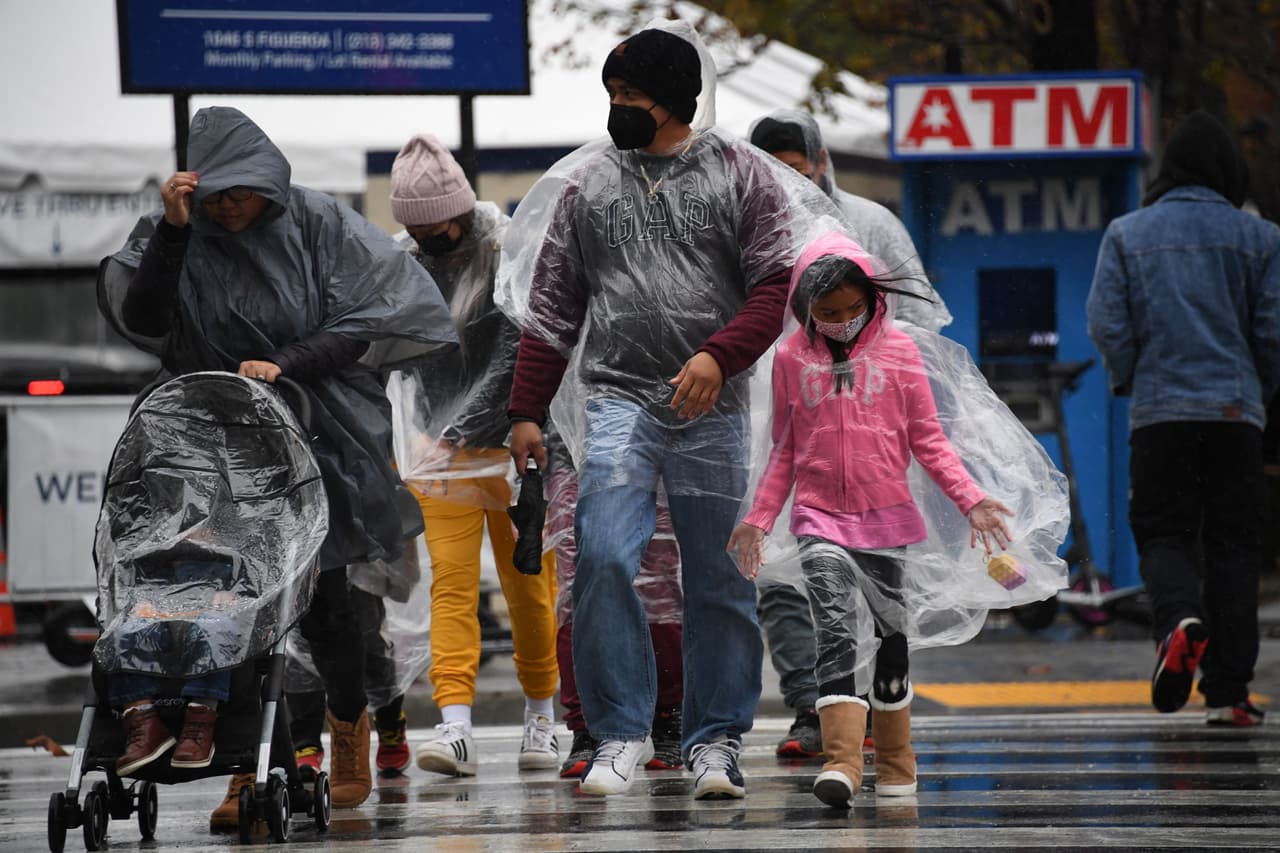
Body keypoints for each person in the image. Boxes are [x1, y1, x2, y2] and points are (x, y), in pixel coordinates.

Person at [107, 106, 455, 828]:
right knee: (227, 603)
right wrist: (173, 233)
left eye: (242, 190)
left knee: (326, 601)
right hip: (211, 437)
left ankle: (350, 726)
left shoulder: (319, 223)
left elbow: (366, 319)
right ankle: (255, 763)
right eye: (216, 194)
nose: (229, 206)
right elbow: (145, 317)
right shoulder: (179, 232)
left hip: (316, 427)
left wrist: (285, 362)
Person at [502, 21, 811, 799]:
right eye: (612, 93)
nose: (619, 107)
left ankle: (716, 739)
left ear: (674, 99)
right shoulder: (590, 185)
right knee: (603, 553)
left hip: (711, 404)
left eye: (632, 93)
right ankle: (619, 732)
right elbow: (552, 308)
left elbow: (777, 285)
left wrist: (718, 355)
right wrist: (526, 409)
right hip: (618, 399)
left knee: (718, 574)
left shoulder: (742, 173)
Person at [728, 231, 1020, 808]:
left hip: (889, 525)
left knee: (891, 642)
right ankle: (842, 763)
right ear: (805, 310)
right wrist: (759, 518)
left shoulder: (900, 353)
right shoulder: (791, 359)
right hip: (819, 521)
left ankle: (894, 761)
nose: (841, 320)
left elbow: (928, 440)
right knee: (834, 631)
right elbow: (785, 447)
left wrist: (971, 499)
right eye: (827, 312)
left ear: (873, 300)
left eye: (852, 309)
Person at [747, 108, 954, 759]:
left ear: (819, 161)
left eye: (796, 165)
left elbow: (918, 313)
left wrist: (874, 371)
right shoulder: (744, 232)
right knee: (783, 578)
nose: (787, 181)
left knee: (869, 582)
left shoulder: (870, 223)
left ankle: (873, 701)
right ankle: (815, 705)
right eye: (771, 169)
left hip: (865, 434)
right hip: (773, 423)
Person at [1087, 110, 1280, 726]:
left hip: (1160, 413)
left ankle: (1178, 620)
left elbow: (1107, 323)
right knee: (1234, 545)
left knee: (1164, 531)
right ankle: (1228, 690)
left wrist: (1135, 377)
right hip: (1236, 414)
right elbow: (1272, 331)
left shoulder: (1126, 233)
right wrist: (1256, 390)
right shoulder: (1262, 238)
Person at [388, 134, 561, 775]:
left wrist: (457, 427)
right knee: (452, 588)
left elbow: (521, 350)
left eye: (436, 222)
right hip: (442, 454)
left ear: (458, 208)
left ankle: (543, 717)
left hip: (518, 447)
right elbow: (405, 357)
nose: (427, 234)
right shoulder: (406, 263)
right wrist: (428, 433)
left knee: (528, 591)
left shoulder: (507, 249)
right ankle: (454, 724)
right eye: (415, 225)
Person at [544, 446, 685, 778]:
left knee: (657, 589)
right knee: (578, 592)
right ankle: (585, 729)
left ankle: (669, 716)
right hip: (570, 459)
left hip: (655, 452)